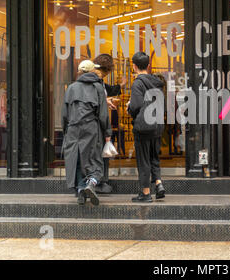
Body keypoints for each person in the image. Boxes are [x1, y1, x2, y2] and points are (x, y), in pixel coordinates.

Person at [62, 60, 112, 205]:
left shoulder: (71, 88)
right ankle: (91, 184)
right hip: (91, 127)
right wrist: (107, 132)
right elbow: (103, 114)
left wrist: (66, 130)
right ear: (92, 71)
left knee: (76, 159)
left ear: (79, 72)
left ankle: (80, 191)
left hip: (73, 128)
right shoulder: (97, 87)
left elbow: (64, 114)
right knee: (94, 159)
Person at [126, 52, 165, 202]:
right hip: (157, 125)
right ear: (148, 65)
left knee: (143, 160)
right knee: (154, 156)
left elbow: (136, 106)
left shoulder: (138, 83)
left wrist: (129, 107)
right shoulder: (157, 82)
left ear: (134, 66)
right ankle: (159, 183)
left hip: (143, 126)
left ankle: (146, 193)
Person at [92, 54, 127, 194]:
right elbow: (96, 98)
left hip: (97, 122)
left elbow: (103, 92)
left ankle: (100, 181)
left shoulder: (96, 81)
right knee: (99, 154)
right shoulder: (96, 82)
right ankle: (99, 182)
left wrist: (106, 100)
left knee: (100, 153)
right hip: (97, 123)